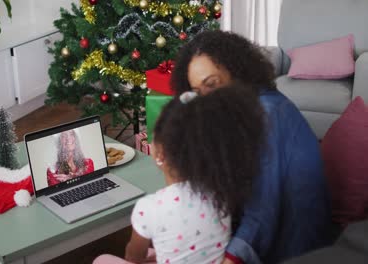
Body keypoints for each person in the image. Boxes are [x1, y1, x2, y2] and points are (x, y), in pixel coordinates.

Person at [170, 30, 333, 264]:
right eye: (198, 92)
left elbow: (262, 211)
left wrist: (230, 258)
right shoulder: (243, 106)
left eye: (212, 84)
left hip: (293, 243)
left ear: (236, 71)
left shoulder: (266, 115)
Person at [93, 85, 266, 264]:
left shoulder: (148, 208)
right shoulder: (223, 194)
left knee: (102, 259)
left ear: (160, 154)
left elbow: (134, 256)